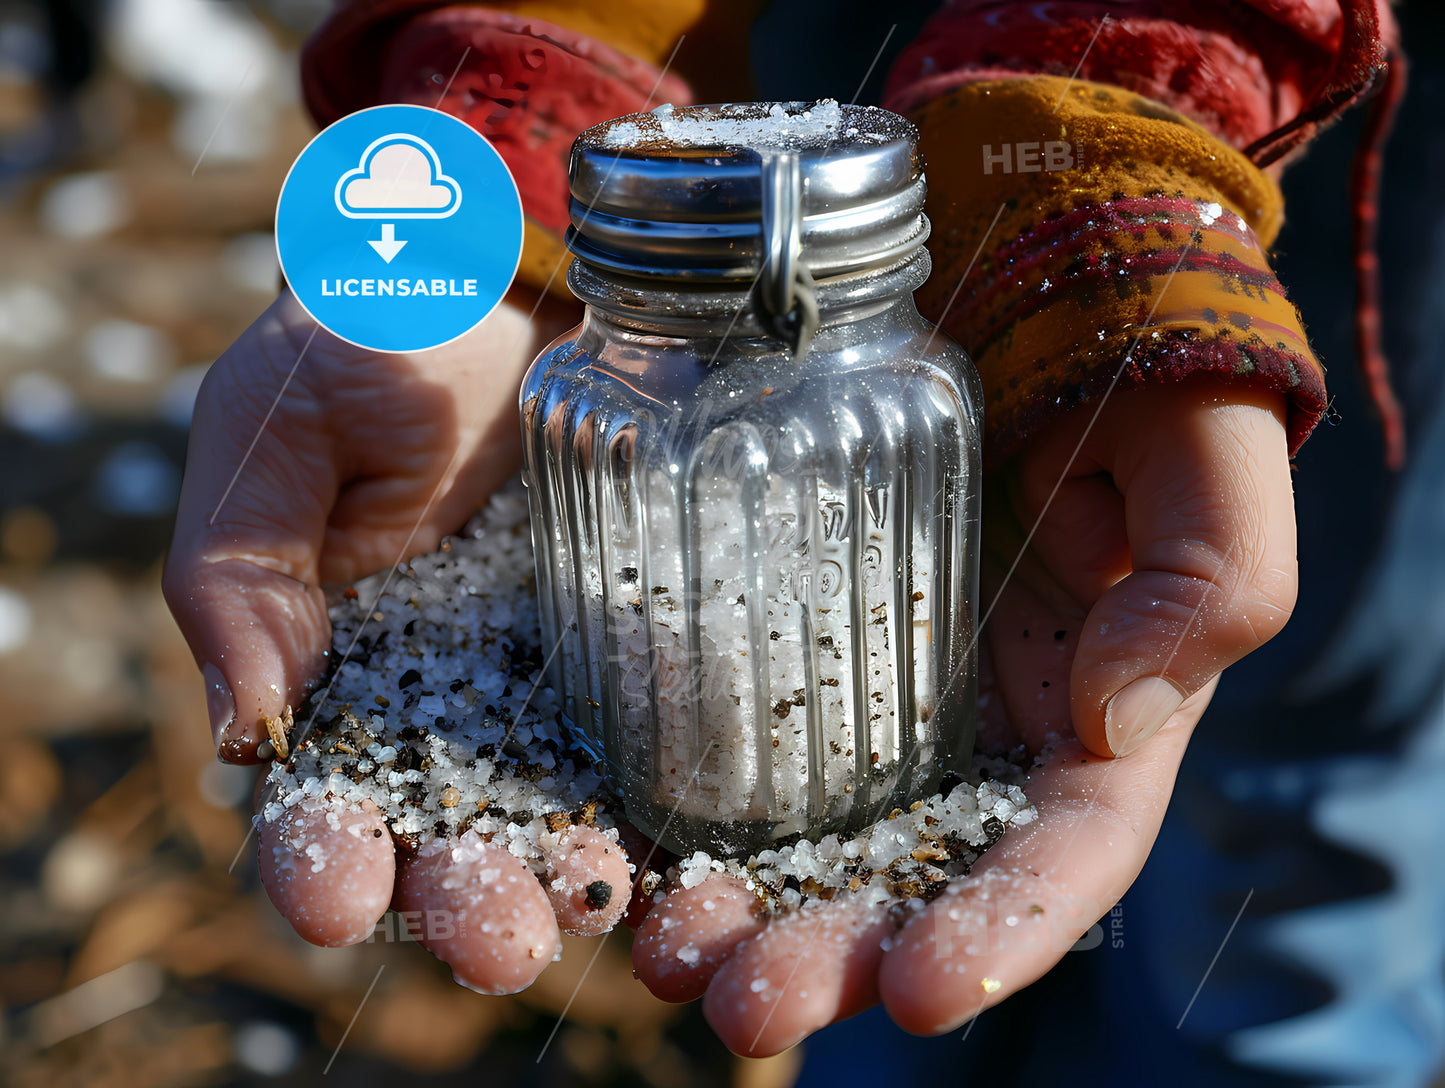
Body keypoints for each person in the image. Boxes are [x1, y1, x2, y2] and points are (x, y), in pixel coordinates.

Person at [165, 0, 1438, 1077]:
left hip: (1282, 133)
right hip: (797, 61)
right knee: (890, 968)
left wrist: (1105, 165)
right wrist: (513, 132)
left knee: (1298, 772)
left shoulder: (919, 380)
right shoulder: (587, 388)